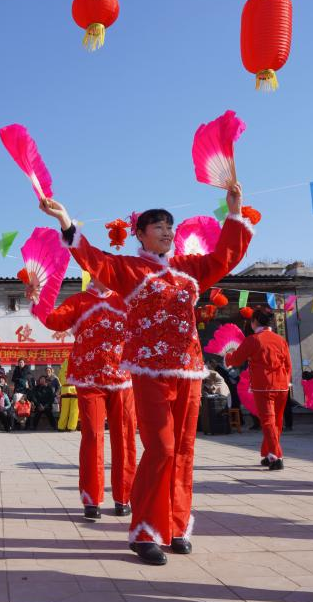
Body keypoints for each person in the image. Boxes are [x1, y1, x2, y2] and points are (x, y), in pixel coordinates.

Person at [37, 183, 252, 567]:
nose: (167, 232)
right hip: (149, 370)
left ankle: (177, 525)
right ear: (140, 234)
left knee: (185, 450)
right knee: (162, 448)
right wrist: (65, 220)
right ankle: (145, 530)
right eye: (158, 227)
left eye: (170, 227)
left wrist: (234, 211)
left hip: (188, 368)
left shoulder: (190, 270)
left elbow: (226, 255)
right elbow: (92, 258)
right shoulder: (129, 269)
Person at [33, 280, 137, 518]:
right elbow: (53, 320)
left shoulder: (125, 298)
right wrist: (37, 299)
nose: (103, 273)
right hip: (89, 378)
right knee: (92, 435)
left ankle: (124, 497)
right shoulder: (78, 301)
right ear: (91, 273)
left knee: (125, 436)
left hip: (122, 376)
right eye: (96, 268)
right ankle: (92, 499)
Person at [226, 306, 292, 470]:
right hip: (282, 385)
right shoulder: (280, 339)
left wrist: (228, 354)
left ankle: (276, 456)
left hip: (263, 386)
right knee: (276, 421)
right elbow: (288, 365)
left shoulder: (253, 340)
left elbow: (235, 360)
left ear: (255, 321)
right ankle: (268, 453)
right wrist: (286, 381)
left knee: (268, 421)